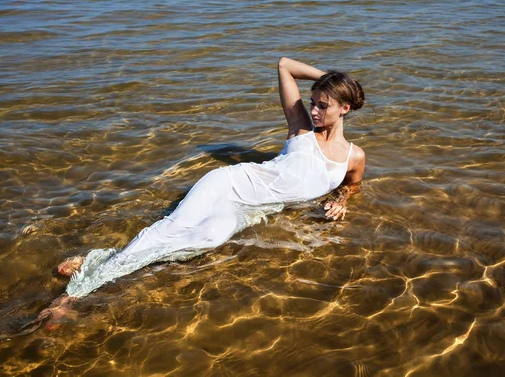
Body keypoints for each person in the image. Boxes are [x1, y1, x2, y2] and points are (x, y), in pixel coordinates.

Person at [30, 57, 366, 330]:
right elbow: (284, 65)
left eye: (323, 105)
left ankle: (96, 260)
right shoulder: (302, 128)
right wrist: (331, 79)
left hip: (246, 212)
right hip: (227, 184)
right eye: (313, 102)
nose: (315, 110)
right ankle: (69, 298)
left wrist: (340, 200)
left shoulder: (354, 156)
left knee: (197, 245)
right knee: (169, 232)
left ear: (345, 109)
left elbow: (351, 186)